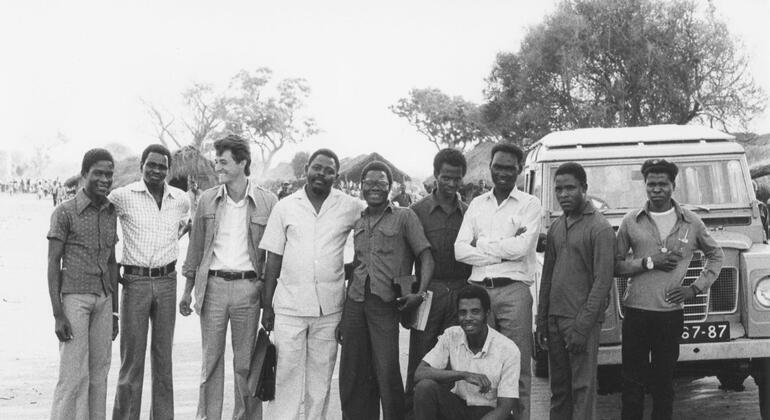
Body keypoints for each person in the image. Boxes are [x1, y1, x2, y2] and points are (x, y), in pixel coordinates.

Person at [259, 148, 363, 419]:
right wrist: (266, 307)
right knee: (286, 378)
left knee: (320, 381)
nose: (322, 174)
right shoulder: (285, 206)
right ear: (307, 168)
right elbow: (273, 260)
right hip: (289, 308)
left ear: (336, 176)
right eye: (318, 167)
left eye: (329, 170)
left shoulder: (350, 206)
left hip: (329, 310)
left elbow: (374, 223)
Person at [615, 159, 724, 420]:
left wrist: (694, 289)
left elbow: (716, 255)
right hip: (636, 313)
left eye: (662, 184)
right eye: (651, 184)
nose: (656, 189)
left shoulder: (691, 221)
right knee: (632, 383)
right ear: (645, 186)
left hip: (670, 315)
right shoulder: (631, 221)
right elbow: (616, 266)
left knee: (663, 383)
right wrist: (648, 262)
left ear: (673, 186)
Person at [180, 134, 277, 420]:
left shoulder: (268, 202)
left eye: (223, 162)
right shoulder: (208, 200)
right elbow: (195, 249)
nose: (217, 166)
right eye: (216, 161)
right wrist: (187, 291)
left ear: (242, 162)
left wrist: (267, 299)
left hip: (249, 290)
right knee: (210, 363)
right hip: (212, 288)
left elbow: (274, 257)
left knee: (246, 365)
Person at [339, 160, 435, 420]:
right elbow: (358, 262)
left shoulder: (404, 216)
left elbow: (426, 256)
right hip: (356, 301)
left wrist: (420, 292)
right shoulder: (358, 221)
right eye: (368, 183)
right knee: (354, 371)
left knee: (387, 370)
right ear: (360, 187)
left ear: (390, 187)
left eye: (380, 183)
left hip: (385, 304)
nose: (374, 188)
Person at [455, 142, 542, 420]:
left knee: (516, 367)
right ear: (490, 168)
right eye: (497, 167)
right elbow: (459, 250)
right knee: (482, 366)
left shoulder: (530, 204)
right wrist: (502, 250)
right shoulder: (477, 205)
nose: (502, 172)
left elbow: (522, 248)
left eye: (509, 167)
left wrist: (481, 244)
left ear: (519, 170)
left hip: (514, 292)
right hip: (479, 293)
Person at [109, 144, 190, 420]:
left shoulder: (180, 199)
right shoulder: (122, 196)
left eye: (162, 166)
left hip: (168, 281)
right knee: (132, 362)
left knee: (163, 360)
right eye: (151, 165)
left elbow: (187, 224)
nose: (156, 170)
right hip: (135, 282)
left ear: (169, 169)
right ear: (141, 166)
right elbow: (100, 216)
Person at [534, 162, 615, 420]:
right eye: (558, 189)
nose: (563, 195)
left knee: (583, 388)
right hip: (555, 321)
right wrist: (542, 321)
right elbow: (547, 278)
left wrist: (582, 327)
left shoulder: (600, 228)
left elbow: (602, 283)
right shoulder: (558, 226)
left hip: (581, 321)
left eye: (570, 188)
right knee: (558, 391)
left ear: (584, 188)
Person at [47, 148, 119, 420]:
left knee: (100, 373)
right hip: (74, 299)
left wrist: (114, 312)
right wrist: (58, 313)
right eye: (98, 173)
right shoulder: (64, 212)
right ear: (84, 174)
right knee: (73, 375)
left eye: (109, 174)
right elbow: (54, 263)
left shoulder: (111, 211)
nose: (105, 179)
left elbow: (113, 262)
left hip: (104, 299)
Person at [405, 148, 473, 409]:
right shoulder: (415, 211)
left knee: (456, 358)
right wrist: (411, 297)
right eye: (446, 177)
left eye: (457, 179)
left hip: (460, 294)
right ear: (435, 176)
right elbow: (407, 260)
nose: (451, 184)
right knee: (421, 358)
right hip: (427, 295)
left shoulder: (469, 212)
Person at [413, 285, 519, 420]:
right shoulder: (451, 335)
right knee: (425, 388)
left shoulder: (508, 349)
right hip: (458, 408)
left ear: (487, 313)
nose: (468, 318)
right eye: (463, 312)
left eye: (475, 312)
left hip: (490, 413)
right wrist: (463, 375)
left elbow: (504, 408)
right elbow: (420, 373)